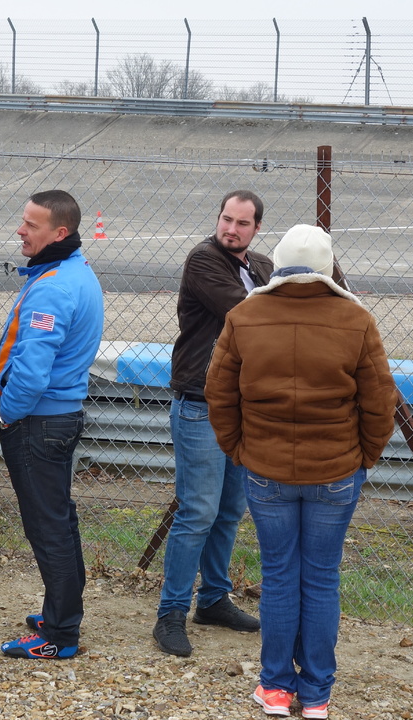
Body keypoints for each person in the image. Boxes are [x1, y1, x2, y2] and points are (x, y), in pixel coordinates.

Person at [204, 224, 397, 719]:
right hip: (335, 470)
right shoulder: (356, 319)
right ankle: (316, 694)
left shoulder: (245, 316)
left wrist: (239, 450)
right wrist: (363, 456)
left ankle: (274, 686)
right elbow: (380, 402)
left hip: (266, 470)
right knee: (321, 579)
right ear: (327, 267)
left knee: (279, 577)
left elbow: (219, 394)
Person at [154, 190, 271, 657]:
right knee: (198, 511)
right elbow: (249, 312)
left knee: (229, 510)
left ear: (256, 228)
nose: (231, 229)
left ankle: (213, 599)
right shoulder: (204, 260)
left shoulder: (261, 266)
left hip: (243, 408)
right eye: (226, 219)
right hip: (200, 403)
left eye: (242, 223)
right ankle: (170, 613)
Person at [0, 190, 103, 660]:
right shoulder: (74, 271)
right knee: (58, 519)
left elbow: (33, 372)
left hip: (39, 421)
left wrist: (6, 413)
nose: (20, 230)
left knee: (47, 526)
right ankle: (62, 613)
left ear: (59, 233)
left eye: (31, 225)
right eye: (23, 220)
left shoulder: (54, 286)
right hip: (58, 416)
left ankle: (60, 634)